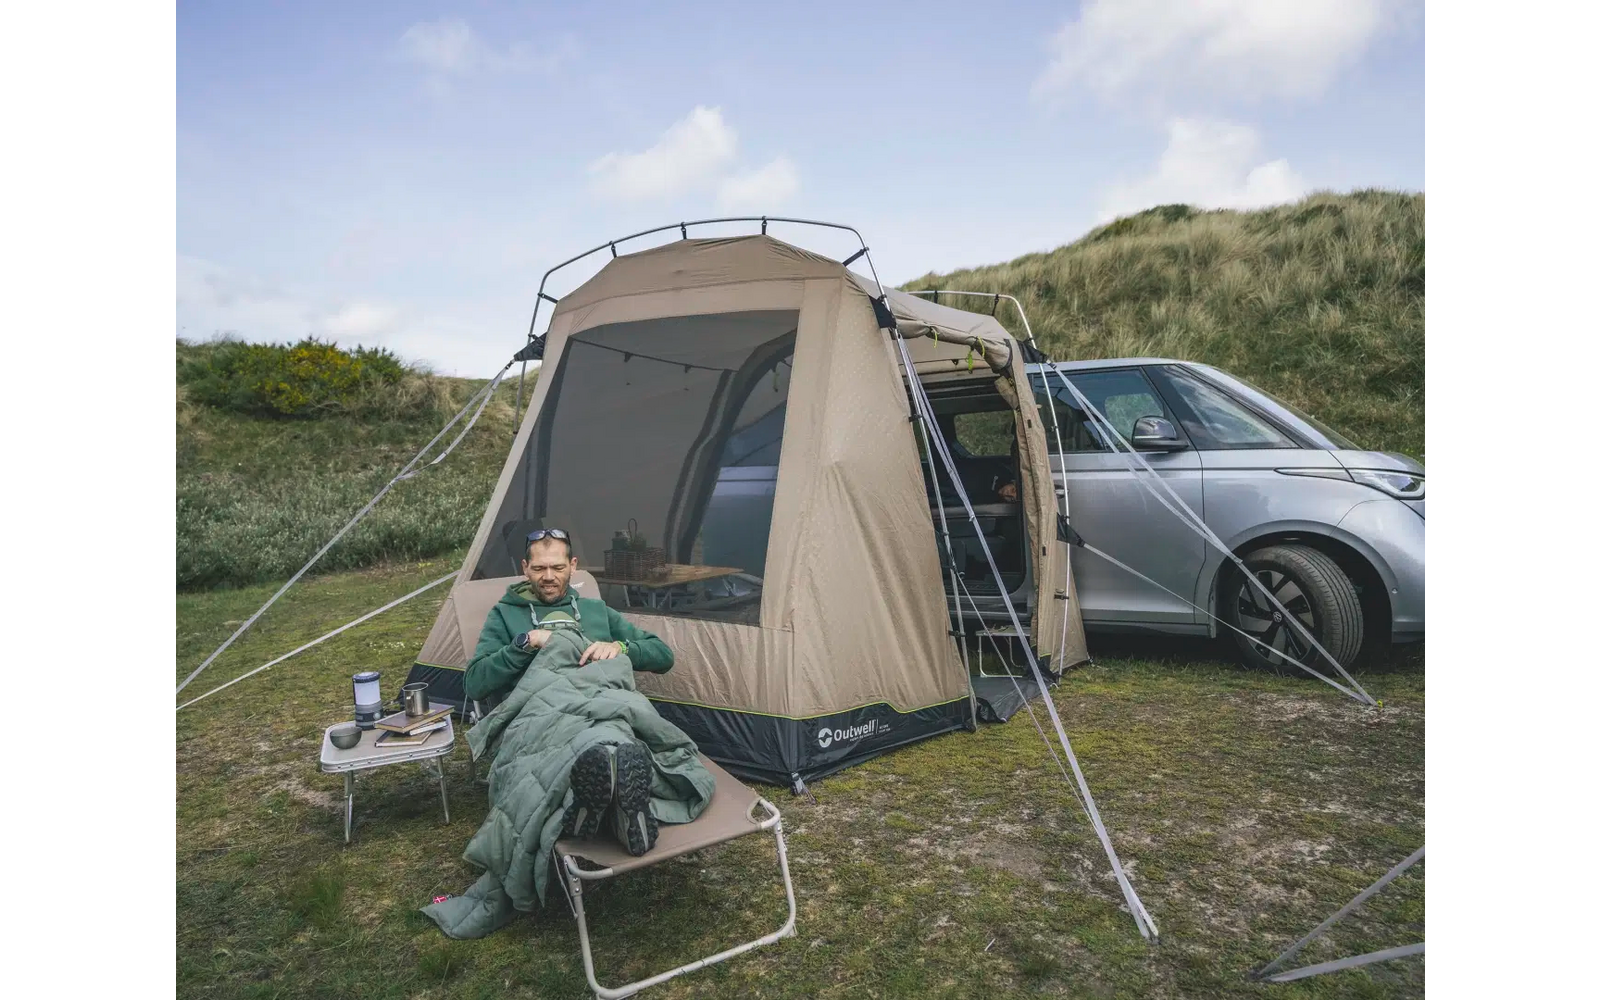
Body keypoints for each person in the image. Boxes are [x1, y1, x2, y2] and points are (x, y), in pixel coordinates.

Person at [464, 527, 676, 854]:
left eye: (558, 568)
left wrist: (619, 647)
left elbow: (663, 655)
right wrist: (525, 643)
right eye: (539, 569)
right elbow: (476, 682)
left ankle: (586, 809)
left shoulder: (595, 612)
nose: (548, 577)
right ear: (525, 568)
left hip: (601, 705)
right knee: (599, 748)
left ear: (573, 566)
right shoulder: (505, 615)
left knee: (611, 736)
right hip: (539, 716)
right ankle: (619, 812)